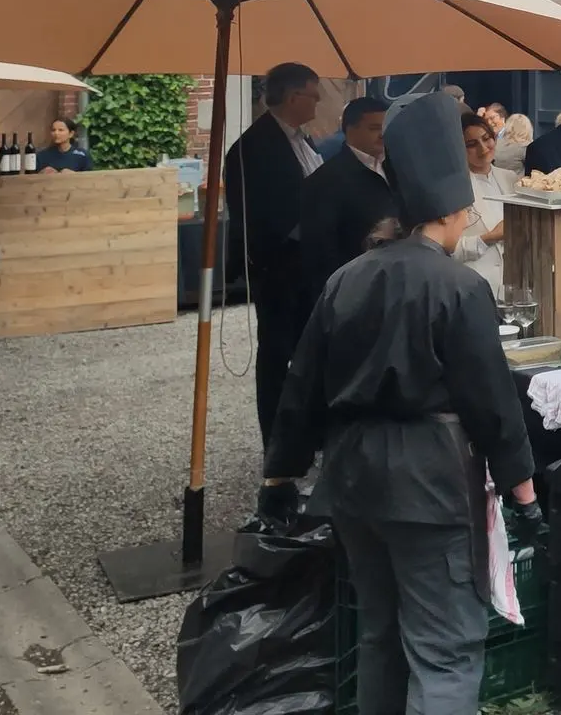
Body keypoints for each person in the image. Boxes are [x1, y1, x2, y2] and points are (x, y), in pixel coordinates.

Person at [261, 93, 539, 715]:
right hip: (429, 484)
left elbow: (300, 384)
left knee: (378, 635)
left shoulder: (348, 277)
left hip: (352, 479)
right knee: (445, 650)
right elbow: (492, 405)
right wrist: (524, 493)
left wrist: (279, 473)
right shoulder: (460, 287)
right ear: (458, 210)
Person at [225, 61, 323, 445]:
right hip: (281, 272)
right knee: (277, 359)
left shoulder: (303, 139)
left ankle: (308, 432)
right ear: (295, 96)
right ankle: (278, 443)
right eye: (314, 95)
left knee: (311, 354)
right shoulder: (252, 147)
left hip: (310, 268)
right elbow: (259, 215)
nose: (317, 103)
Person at [298, 96, 397, 307]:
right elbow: (321, 251)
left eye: (386, 127)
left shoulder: (396, 167)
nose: (382, 135)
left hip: (397, 280)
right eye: (374, 128)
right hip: (356, 289)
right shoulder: (326, 181)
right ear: (350, 129)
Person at [455, 105, 519, 295]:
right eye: (471, 144)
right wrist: (488, 237)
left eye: (486, 139)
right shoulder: (455, 187)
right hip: (472, 287)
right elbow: (443, 249)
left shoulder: (511, 178)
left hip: (514, 286)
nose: (483, 148)